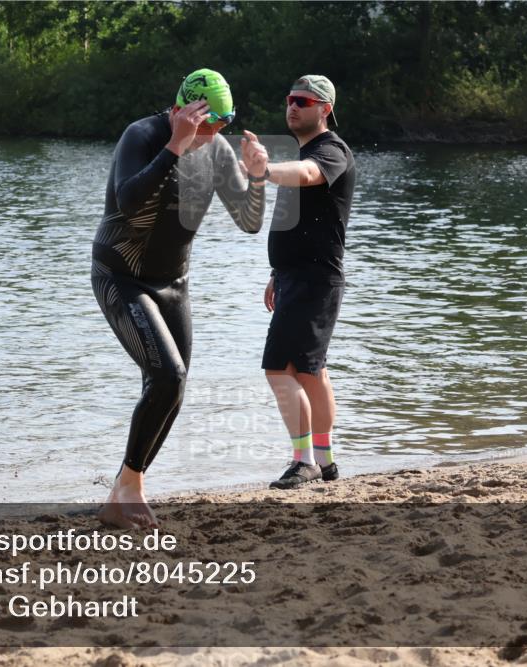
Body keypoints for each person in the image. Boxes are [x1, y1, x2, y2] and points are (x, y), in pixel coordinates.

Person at [92, 69, 269, 528]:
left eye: (222, 125)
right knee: (166, 376)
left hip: (174, 283)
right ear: (182, 110)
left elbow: (248, 222)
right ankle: (127, 487)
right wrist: (175, 145)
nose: (213, 134)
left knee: (174, 387)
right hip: (121, 277)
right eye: (207, 123)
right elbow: (127, 202)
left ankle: (126, 488)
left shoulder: (216, 150)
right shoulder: (144, 135)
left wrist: (257, 178)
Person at [258, 75, 356, 490]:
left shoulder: (330, 150)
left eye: (303, 101)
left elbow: (309, 173)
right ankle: (326, 462)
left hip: (315, 280)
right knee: (313, 373)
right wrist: (276, 273)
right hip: (297, 278)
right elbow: (296, 221)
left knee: (279, 369)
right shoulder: (305, 151)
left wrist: (265, 169)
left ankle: (304, 462)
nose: (293, 106)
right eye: (289, 100)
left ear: (324, 109)